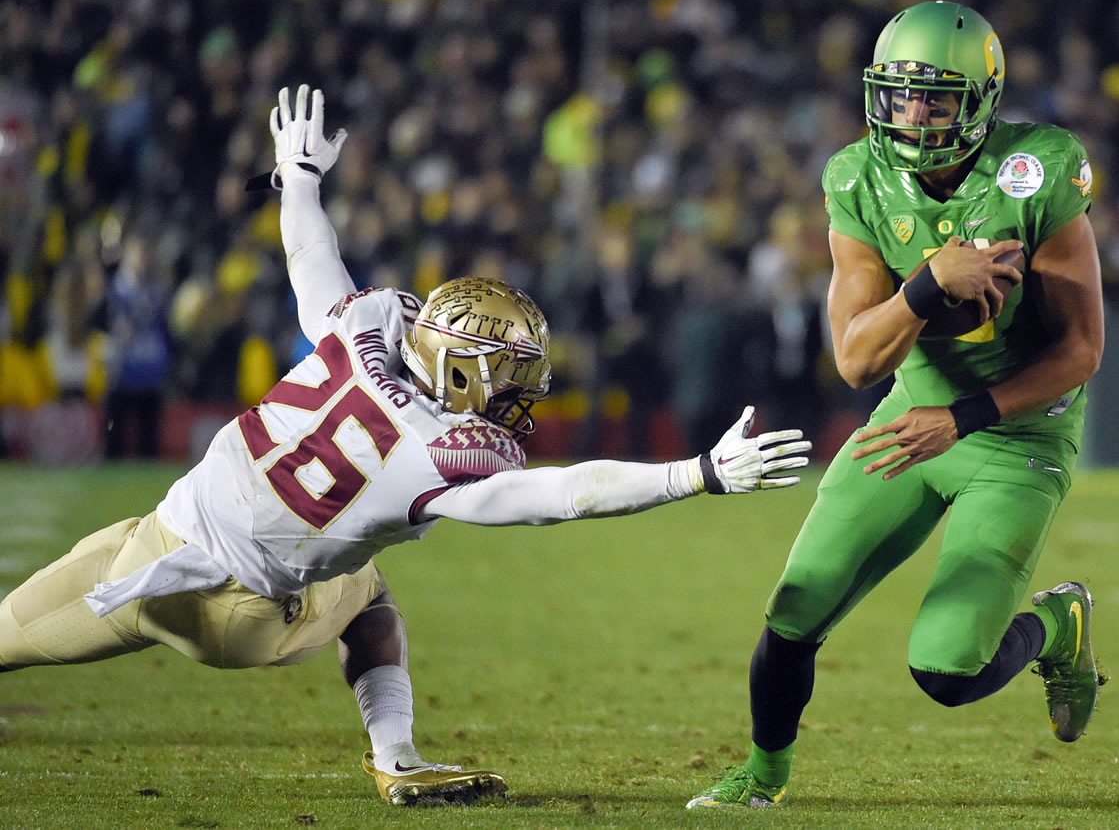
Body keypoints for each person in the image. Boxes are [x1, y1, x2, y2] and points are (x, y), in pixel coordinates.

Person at [0, 86, 813, 808]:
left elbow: (309, 254)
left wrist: (302, 179)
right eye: (508, 377)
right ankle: (396, 755)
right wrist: (695, 472)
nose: (518, 395)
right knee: (368, 591)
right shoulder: (437, 451)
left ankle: (397, 754)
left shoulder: (360, 336)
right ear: (460, 370)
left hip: (173, 552)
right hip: (244, 611)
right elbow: (563, 495)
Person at [687, 1, 1104, 810]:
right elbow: (855, 358)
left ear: (980, 100)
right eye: (900, 94)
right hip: (913, 414)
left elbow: (1081, 351)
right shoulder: (857, 178)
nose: (913, 114)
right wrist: (928, 282)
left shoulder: (1039, 170)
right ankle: (762, 779)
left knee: (946, 669)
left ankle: (1059, 625)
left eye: (937, 98)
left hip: (1017, 435)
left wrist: (966, 416)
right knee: (796, 603)